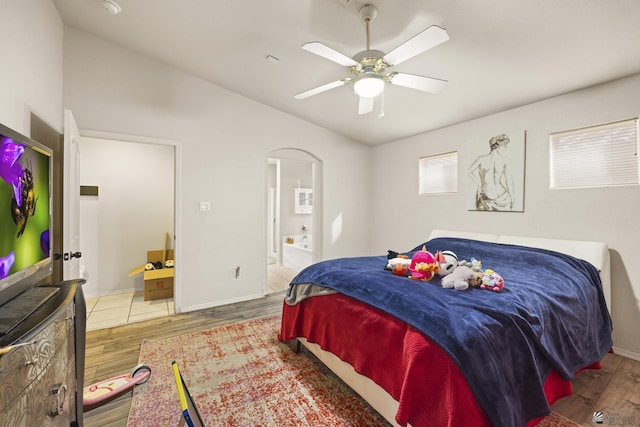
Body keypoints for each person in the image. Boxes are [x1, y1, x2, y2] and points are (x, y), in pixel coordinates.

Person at [468, 133, 515, 211]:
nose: (506, 147)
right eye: (505, 145)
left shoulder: (481, 159)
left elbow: (469, 172)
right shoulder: (506, 160)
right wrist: (512, 198)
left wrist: (479, 183)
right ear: (500, 146)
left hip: (487, 196)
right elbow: (509, 182)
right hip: (501, 196)